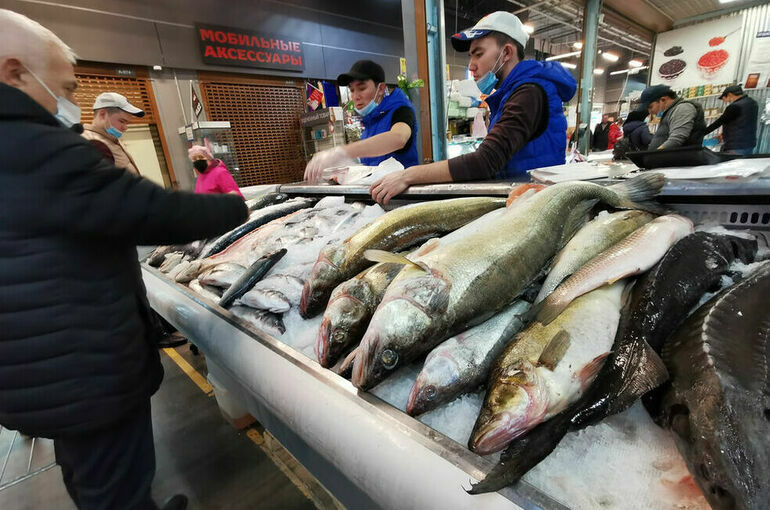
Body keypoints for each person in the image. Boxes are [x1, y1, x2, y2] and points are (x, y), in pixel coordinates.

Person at [0, 9, 248, 510]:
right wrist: (239, 204)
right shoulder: (33, 146)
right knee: (115, 482)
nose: (70, 101)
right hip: (80, 365)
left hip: (42, 367)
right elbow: (147, 209)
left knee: (90, 472)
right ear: (14, 72)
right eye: (66, 89)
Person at [369, 11, 576, 204]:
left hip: (535, 205)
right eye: (471, 56)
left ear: (506, 52)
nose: (471, 65)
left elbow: (487, 160)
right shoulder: (515, 91)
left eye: (478, 54)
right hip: (524, 199)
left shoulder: (528, 93)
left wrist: (408, 175)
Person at [303, 59, 419, 182]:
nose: (356, 96)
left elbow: (398, 138)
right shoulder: (371, 120)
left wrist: (340, 152)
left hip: (402, 193)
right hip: (378, 191)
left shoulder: (401, 110)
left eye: (362, 88)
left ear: (380, 89)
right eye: (352, 90)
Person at [81, 92, 144, 175]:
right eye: (122, 121)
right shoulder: (91, 142)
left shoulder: (111, 138)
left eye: (127, 123)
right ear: (103, 114)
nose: (125, 127)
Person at [641, 84, 706, 150]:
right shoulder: (671, 111)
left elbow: (676, 139)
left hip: (679, 159)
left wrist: (653, 155)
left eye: (650, 107)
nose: (650, 111)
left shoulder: (683, 108)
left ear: (663, 100)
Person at [704, 85, 758, 156]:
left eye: (724, 99)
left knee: (732, 165)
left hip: (736, 145)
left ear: (729, 94)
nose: (725, 102)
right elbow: (742, 123)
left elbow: (719, 122)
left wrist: (701, 134)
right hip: (749, 143)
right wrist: (723, 134)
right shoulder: (752, 103)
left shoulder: (734, 106)